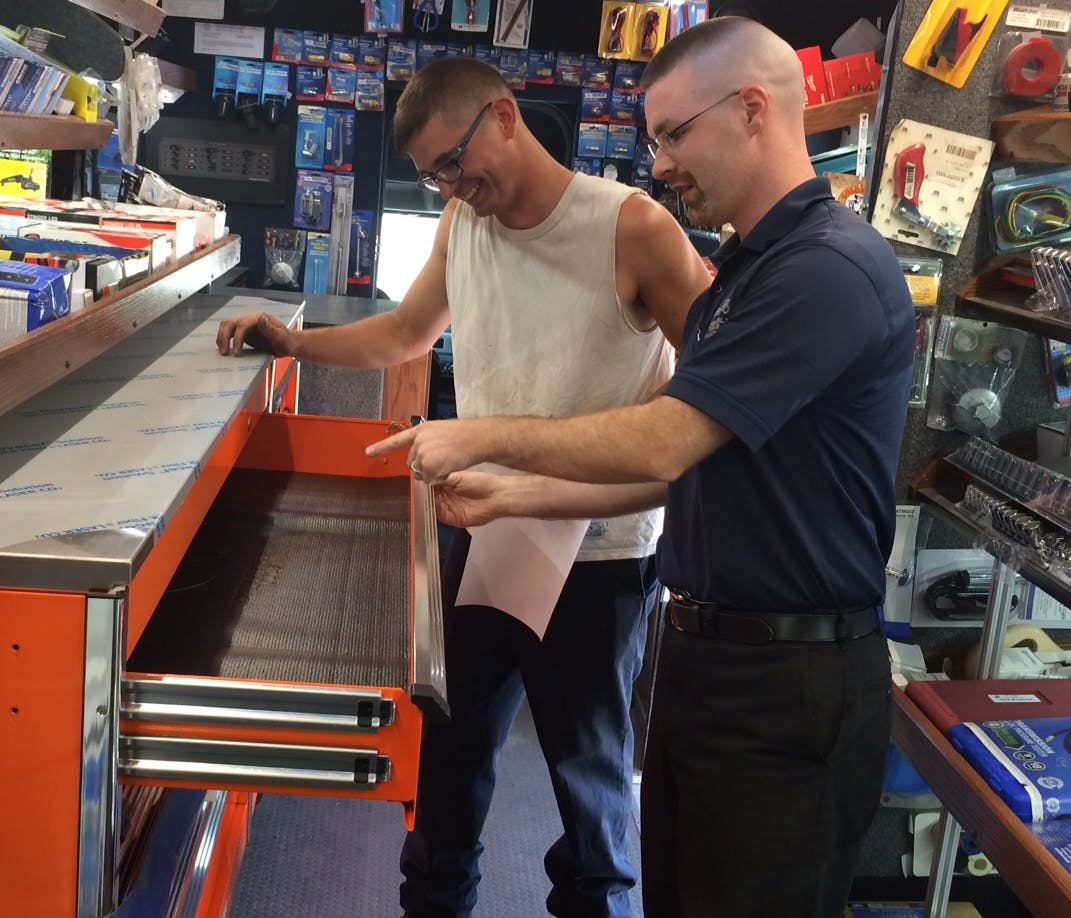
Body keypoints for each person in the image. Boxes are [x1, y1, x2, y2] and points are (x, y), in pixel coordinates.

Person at [367, 18, 913, 917]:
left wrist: (483, 436)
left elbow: (668, 437)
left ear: (751, 111)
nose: (658, 162)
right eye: (652, 138)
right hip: (704, 653)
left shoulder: (826, 273)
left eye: (673, 133)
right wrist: (523, 492)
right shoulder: (742, 274)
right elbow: (696, 469)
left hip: (787, 684)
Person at [216, 58, 710, 918]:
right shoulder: (460, 224)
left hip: (595, 559)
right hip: (485, 531)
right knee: (449, 765)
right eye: (432, 174)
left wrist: (626, 475)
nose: (449, 183)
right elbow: (407, 332)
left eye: (454, 161)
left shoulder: (632, 228)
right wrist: (290, 345)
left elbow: (708, 392)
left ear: (505, 116)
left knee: (587, 784)